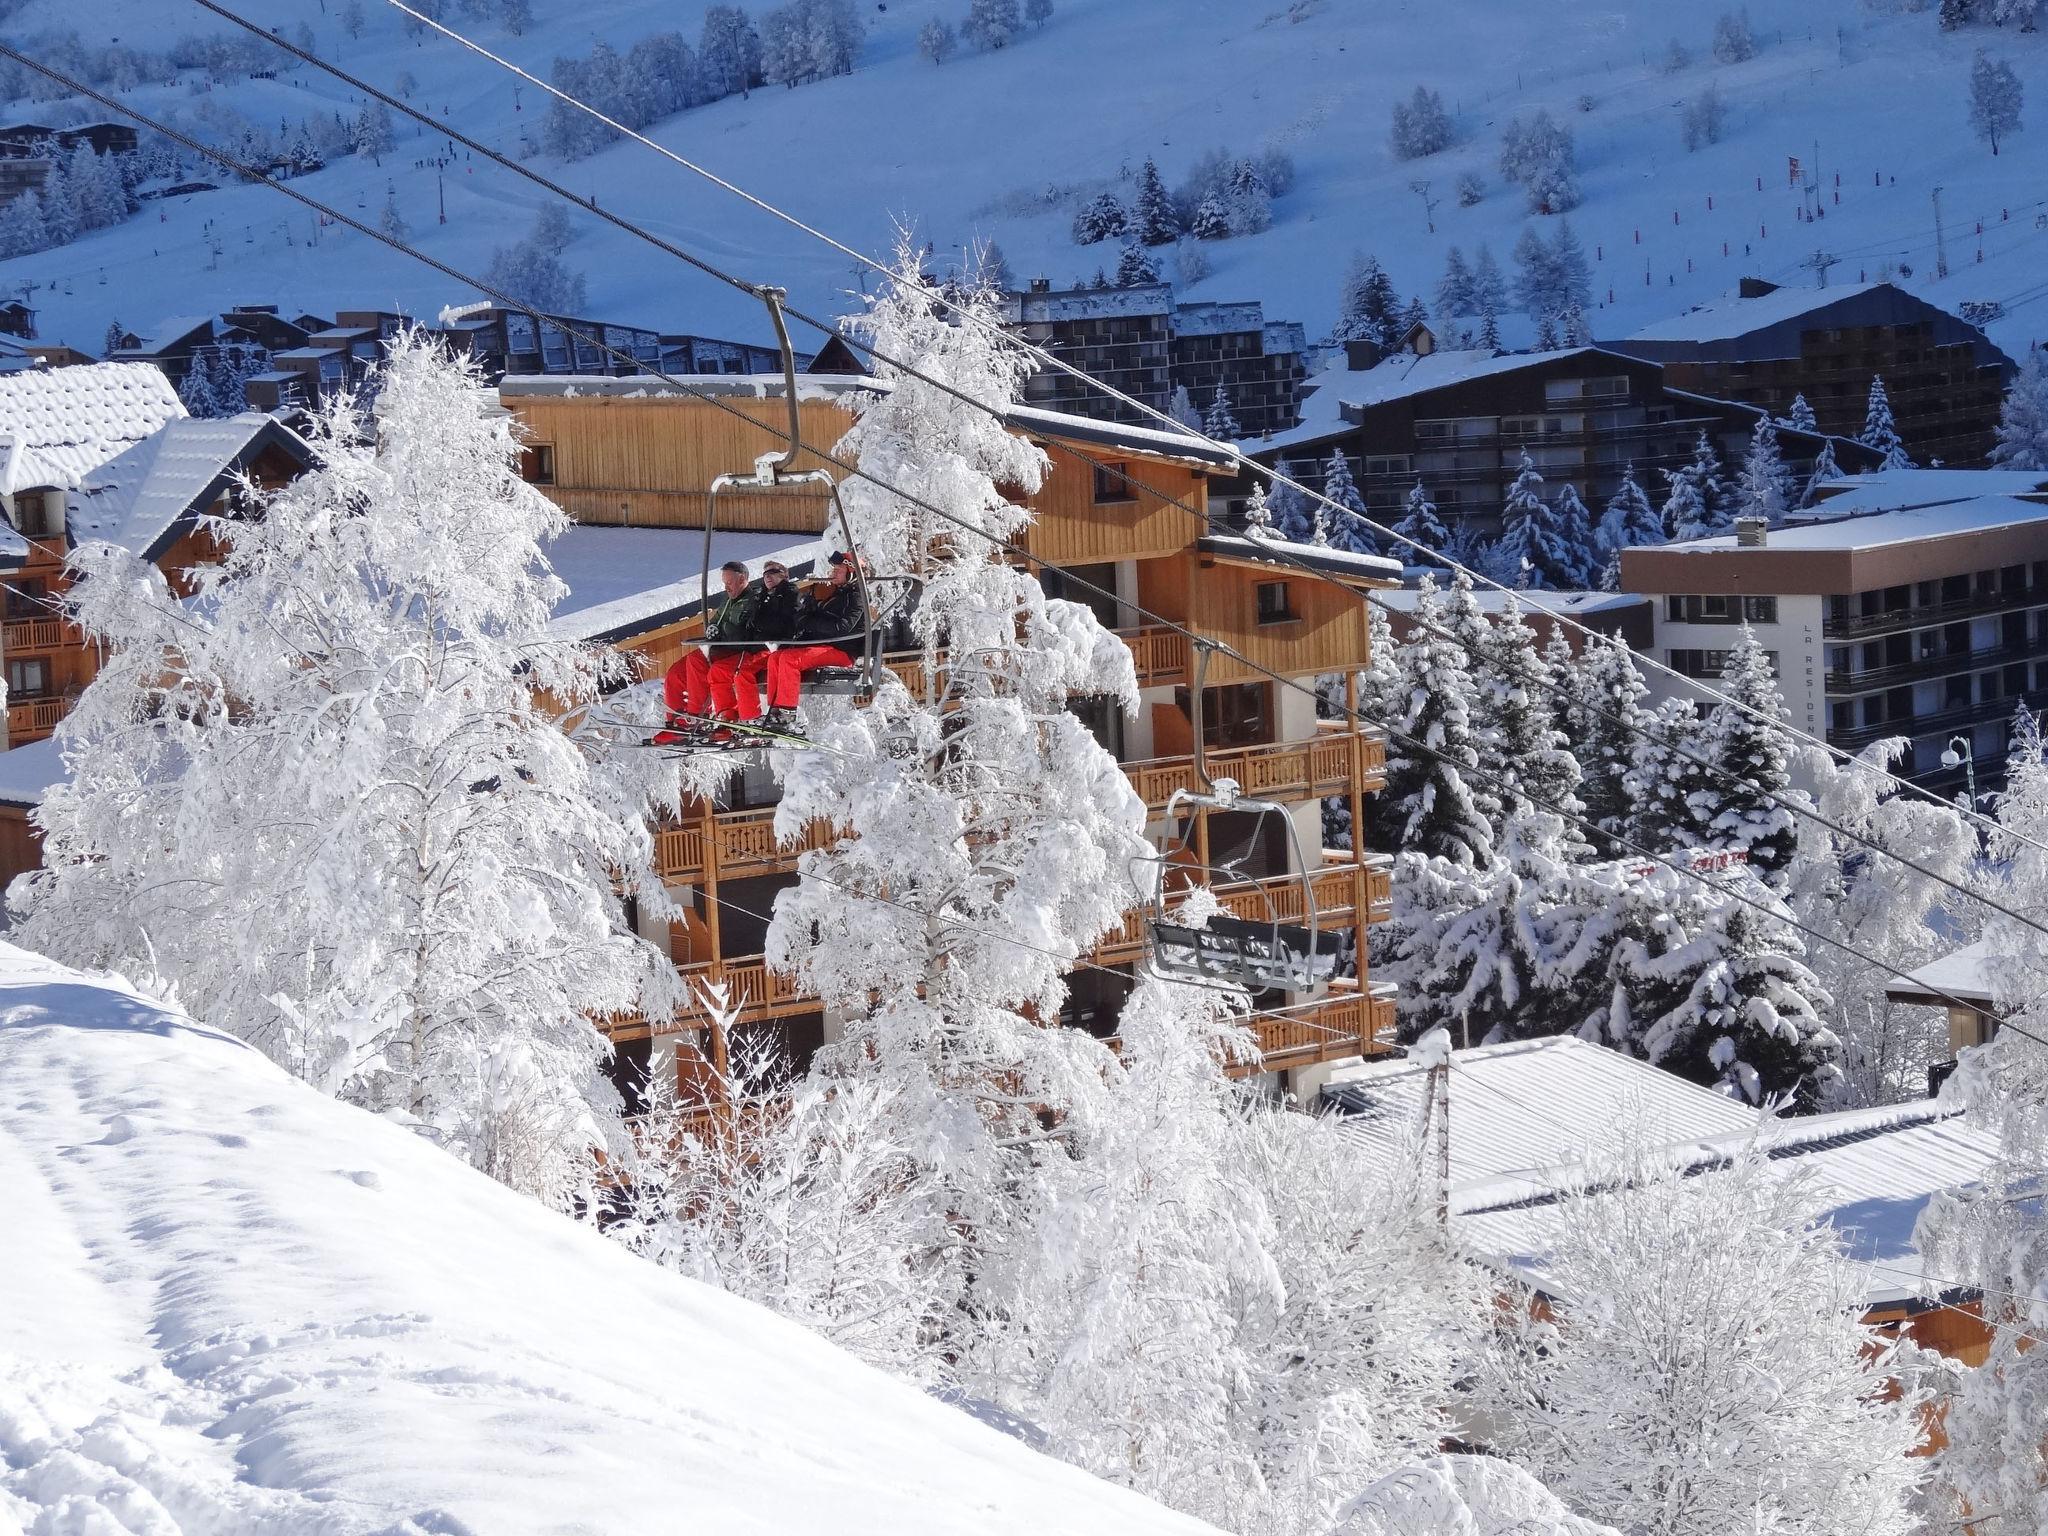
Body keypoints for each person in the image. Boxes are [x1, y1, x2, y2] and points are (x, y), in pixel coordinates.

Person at [655, 560, 760, 745]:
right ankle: (674, 719)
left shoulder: (751, 600)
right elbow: (717, 620)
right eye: (724, 583)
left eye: (729, 582)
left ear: (742, 578)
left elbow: (744, 630)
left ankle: (697, 716)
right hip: (719, 647)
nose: (726, 587)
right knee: (675, 673)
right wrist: (712, 628)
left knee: (697, 660)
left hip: (735, 649)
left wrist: (721, 631)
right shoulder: (728, 601)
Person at [762, 551, 866, 732]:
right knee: (775, 657)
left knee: (789, 660)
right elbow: (823, 621)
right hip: (826, 647)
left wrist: (812, 621)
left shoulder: (857, 598)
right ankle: (775, 711)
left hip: (842, 652)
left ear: (851, 572)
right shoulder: (838, 595)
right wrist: (809, 611)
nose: (833, 573)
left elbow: (842, 627)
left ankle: (786, 714)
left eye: (838, 569)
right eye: (833, 569)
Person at [729, 558, 800, 723]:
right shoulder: (760, 596)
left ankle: (753, 716)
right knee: (731, 671)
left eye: (773, 572)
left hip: (776, 647)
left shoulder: (790, 594)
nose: (768, 577)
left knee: (743, 673)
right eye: (765, 573)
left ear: (784, 575)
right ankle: (738, 716)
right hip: (757, 646)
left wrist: (760, 623)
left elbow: (787, 622)